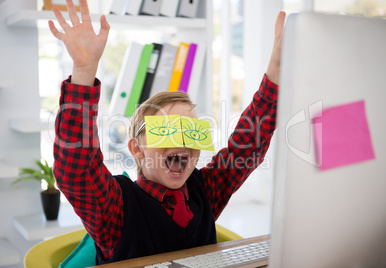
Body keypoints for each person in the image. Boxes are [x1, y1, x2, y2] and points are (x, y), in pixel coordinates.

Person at [50, 0, 285, 265]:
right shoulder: (117, 209)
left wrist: (276, 73)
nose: (182, 142)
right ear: (137, 148)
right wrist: (84, 71)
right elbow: (75, 171)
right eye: (168, 130)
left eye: (191, 131)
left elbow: (246, 147)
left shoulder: (203, 190)